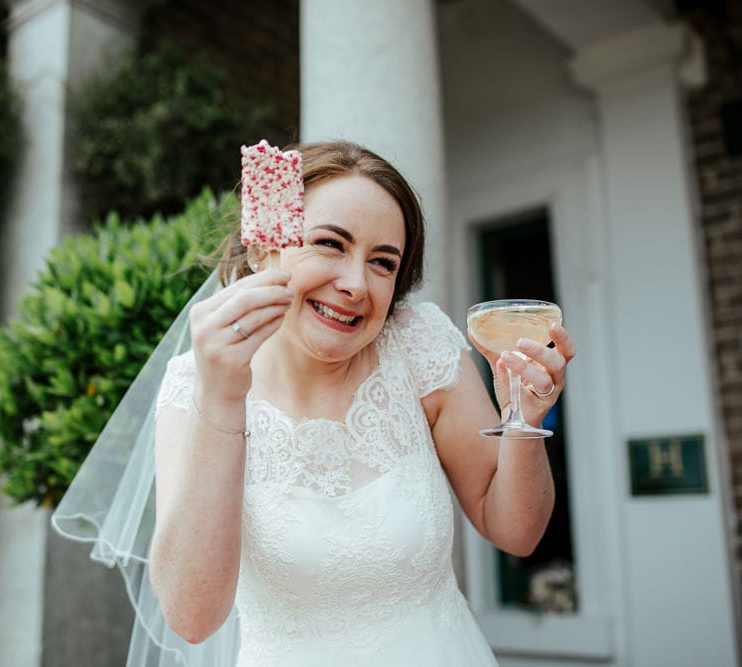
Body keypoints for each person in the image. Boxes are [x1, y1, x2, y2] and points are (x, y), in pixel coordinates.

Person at [145, 140, 577, 666]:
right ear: (265, 246)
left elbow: (518, 532)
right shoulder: (194, 384)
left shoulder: (419, 345)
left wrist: (522, 420)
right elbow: (192, 619)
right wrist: (222, 396)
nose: (354, 284)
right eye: (329, 243)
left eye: (382, 262)